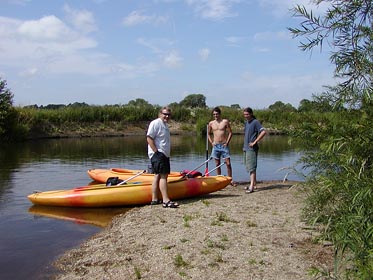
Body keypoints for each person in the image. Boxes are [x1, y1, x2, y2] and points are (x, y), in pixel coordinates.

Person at [146, 106, 179, 208]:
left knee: (157, 175)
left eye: (168, 115)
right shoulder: (156, 123)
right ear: (160, 114)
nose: (167, 116)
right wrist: (156, 152)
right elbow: (149, 138)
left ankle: (155, 199)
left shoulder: (165, 125)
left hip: (163, 154)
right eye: (165, 114)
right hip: (158, 154)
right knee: (163, 176)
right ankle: (166, 200)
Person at [208, 106, 237, 186]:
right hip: (216, 146)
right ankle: (219, 179)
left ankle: (230, 180)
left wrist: (227, 142)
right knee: (217, 164)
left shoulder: (225, 122)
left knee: (228, 163)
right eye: (214, 114)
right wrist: (211, 142)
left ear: (220, 114)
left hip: (224, 145)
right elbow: (208, 134)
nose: (215, 116)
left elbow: (230, 132)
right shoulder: (211, 123)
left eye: (217, 114)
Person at [243, 107, 266, 193]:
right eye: (244, 114)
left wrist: (255, 142)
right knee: (249, 166)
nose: (246, 116)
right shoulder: (246, 123)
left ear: (251, 114)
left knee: (252, 167)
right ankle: (254, 184)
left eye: (247, 114)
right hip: (246, 148)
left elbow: (263, 132)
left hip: (252, 148)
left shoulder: (255, 122)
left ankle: (251, 186)